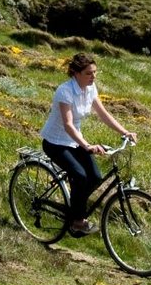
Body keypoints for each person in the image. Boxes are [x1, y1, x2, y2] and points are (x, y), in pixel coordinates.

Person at [39, 52, 134, 236]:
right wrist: (88, 145)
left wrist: (125, 132)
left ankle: (74, 209)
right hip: (55, 143)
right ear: (76, 73)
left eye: (95, 72)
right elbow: (67, 125)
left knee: (96, 177)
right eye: (89, 73)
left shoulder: (90, 89)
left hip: (75, 143)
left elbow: (103, 113)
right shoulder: (64, 91)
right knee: (81, 176)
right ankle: (77, 221)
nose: (93, 77)